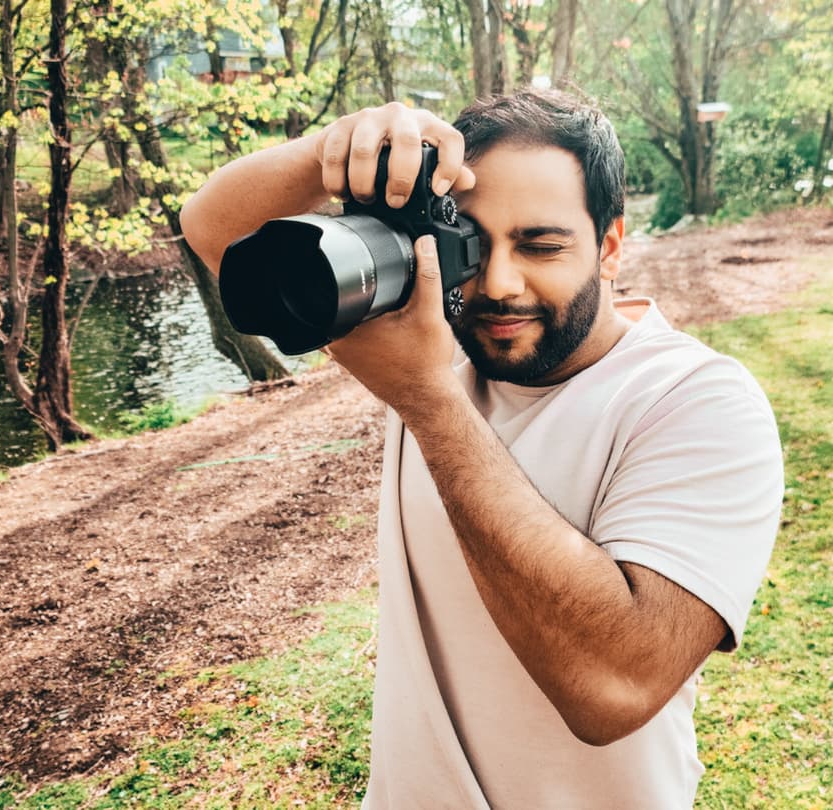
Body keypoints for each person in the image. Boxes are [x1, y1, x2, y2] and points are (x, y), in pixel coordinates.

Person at [180, 90, 784, 809]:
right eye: (470, 244)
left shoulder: (696, 401)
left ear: (611, 246)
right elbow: (215, 233)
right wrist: (327, 153)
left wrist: (432, 401)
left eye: (541, 245)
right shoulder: (438, 344)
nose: (497, 284)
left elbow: (614, 687)